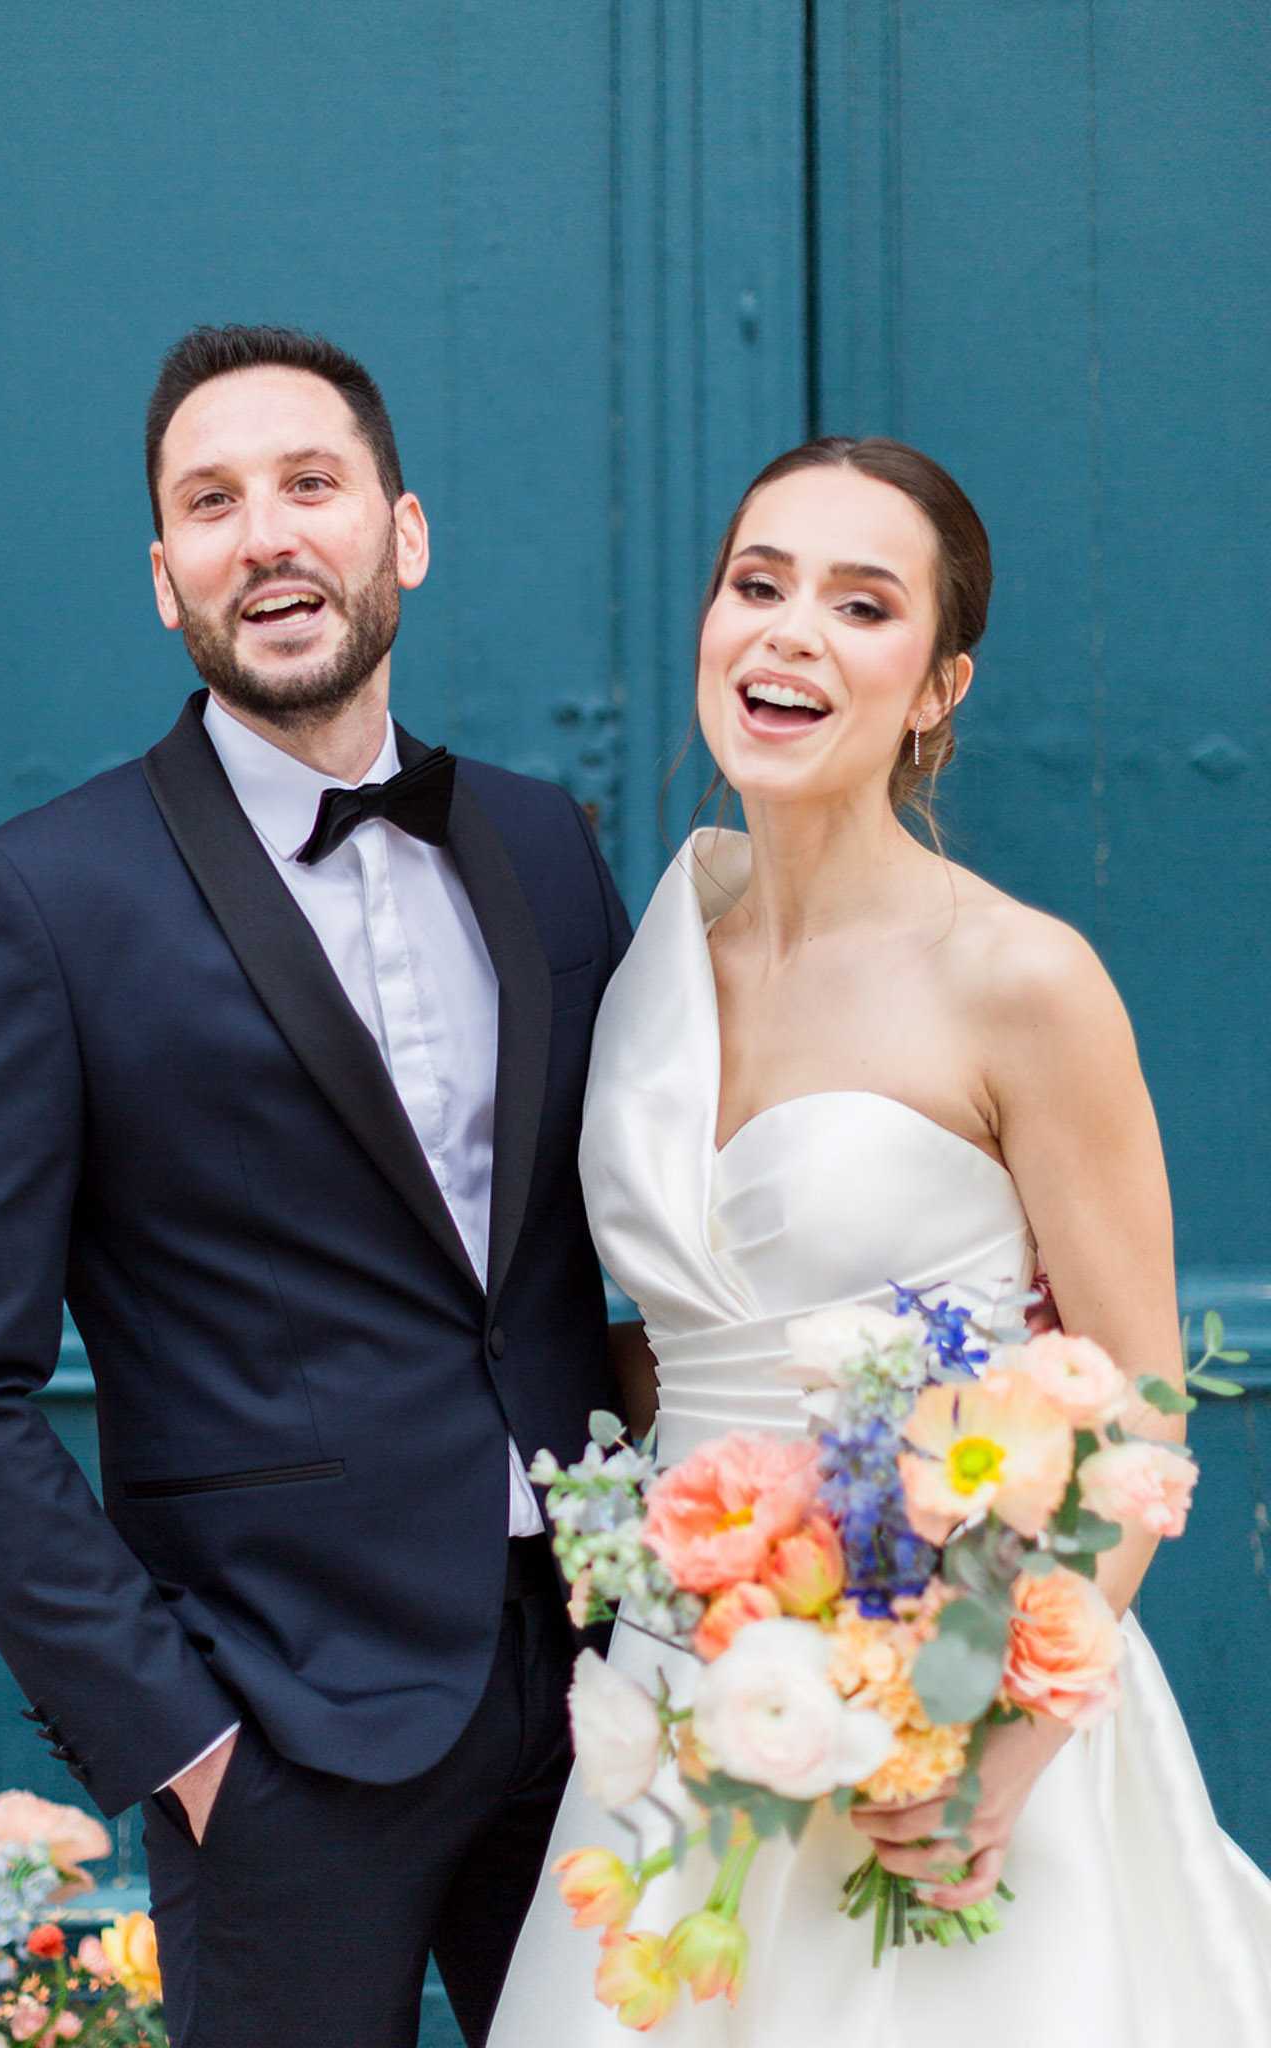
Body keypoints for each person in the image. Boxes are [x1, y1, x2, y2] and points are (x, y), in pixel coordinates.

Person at [0, 324, 634, 2048]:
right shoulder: (46, 900)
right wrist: (186, 1745)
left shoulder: (543, 845)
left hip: (600, 1699)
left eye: (310, 483)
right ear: (166, 581)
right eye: (210, 504)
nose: (265, 534)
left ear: (403, 532)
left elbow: (608, 1246)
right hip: (289, 1742)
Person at [488, 437, 1271, 2045]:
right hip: (679, 1699)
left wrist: (1002, 1744)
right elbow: (650, 1350)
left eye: (861, 605)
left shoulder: (1020, 980)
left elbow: (1137, 1400)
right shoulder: (642, 960)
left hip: (959, 1709)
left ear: (936, 686)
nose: (788, 633)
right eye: (757, 585)